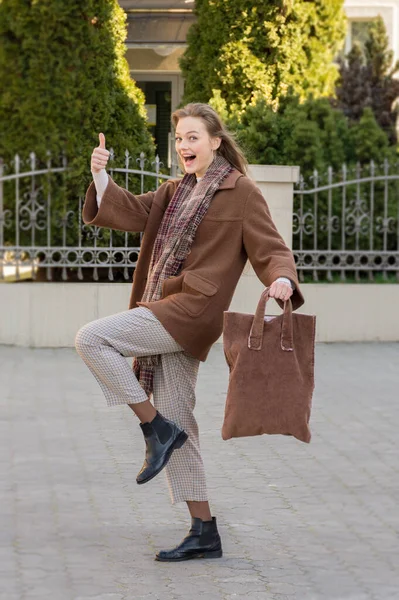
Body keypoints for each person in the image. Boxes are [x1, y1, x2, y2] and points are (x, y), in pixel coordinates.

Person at [75, 103, 304, 562]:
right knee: (182, 421)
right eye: (179, 138)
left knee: (92, 339)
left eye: (193, 137)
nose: (184, 146)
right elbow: (131, 211)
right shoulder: (175, 190)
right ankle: (204, 529)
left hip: (193, 309)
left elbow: (272, 247)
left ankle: (154, 429)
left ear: (216, 142)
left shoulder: (241, 192)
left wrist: (282, 279)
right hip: (167, 304)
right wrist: (100, 177)